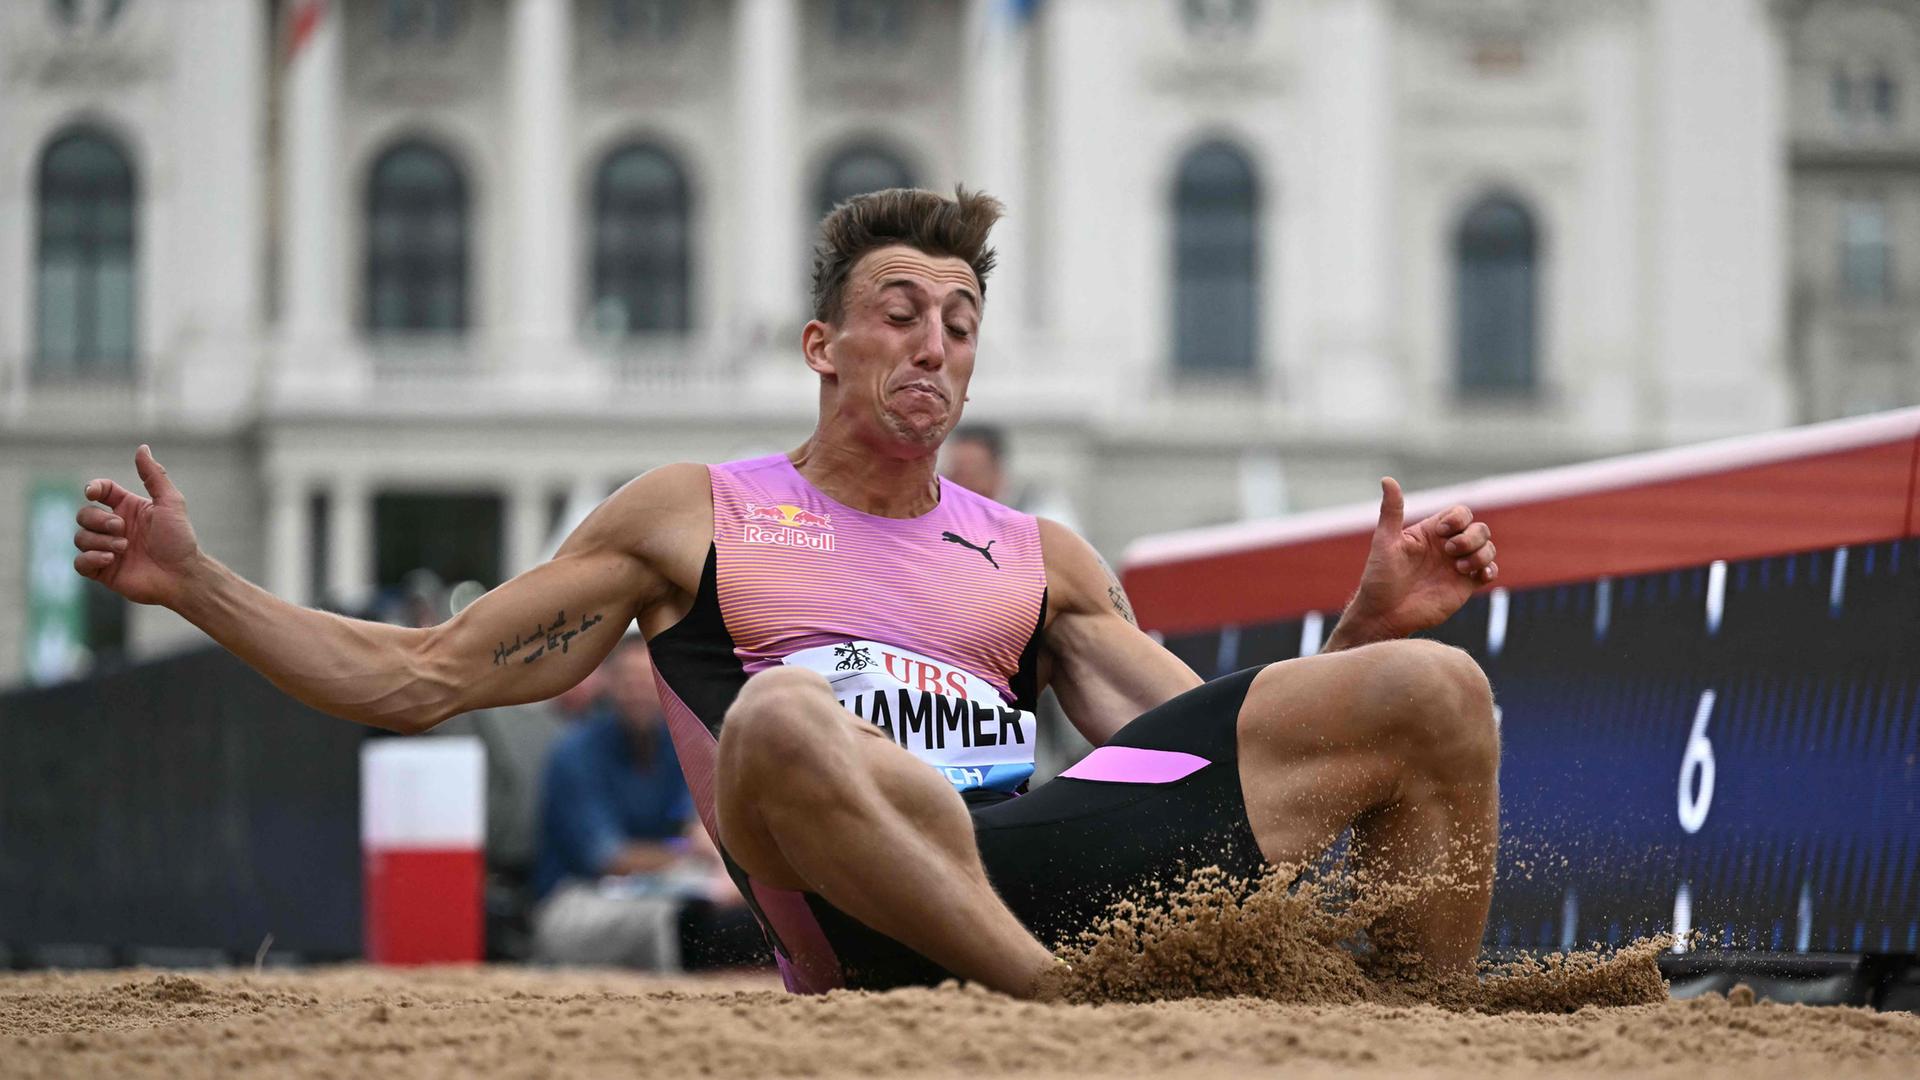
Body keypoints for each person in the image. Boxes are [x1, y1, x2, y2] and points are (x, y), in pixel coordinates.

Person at [71, 187, 1500, 998]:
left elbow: (1193, 758)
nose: (933, 346)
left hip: (1031, 866)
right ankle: (1051, 1011)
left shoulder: (1038, 554)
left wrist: (1362, 637)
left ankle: (1409, 1028)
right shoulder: (696, 516)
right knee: (781, 717)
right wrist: (196, 583)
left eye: (960, 324)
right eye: (900, 314)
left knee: (1435, 691)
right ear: (823, 346)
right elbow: (419, 672)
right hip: (861, 911)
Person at [530, 635, 763, 971]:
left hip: (668, 887)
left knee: (755, 908)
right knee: (688, 923)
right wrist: (689, 855)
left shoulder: (679, 744)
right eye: (628, 681)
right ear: (608, 684)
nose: (637, 692)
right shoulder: (574, 753)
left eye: (647, 681)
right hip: (579, 899)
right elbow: (609, 858)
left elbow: (699, 825)